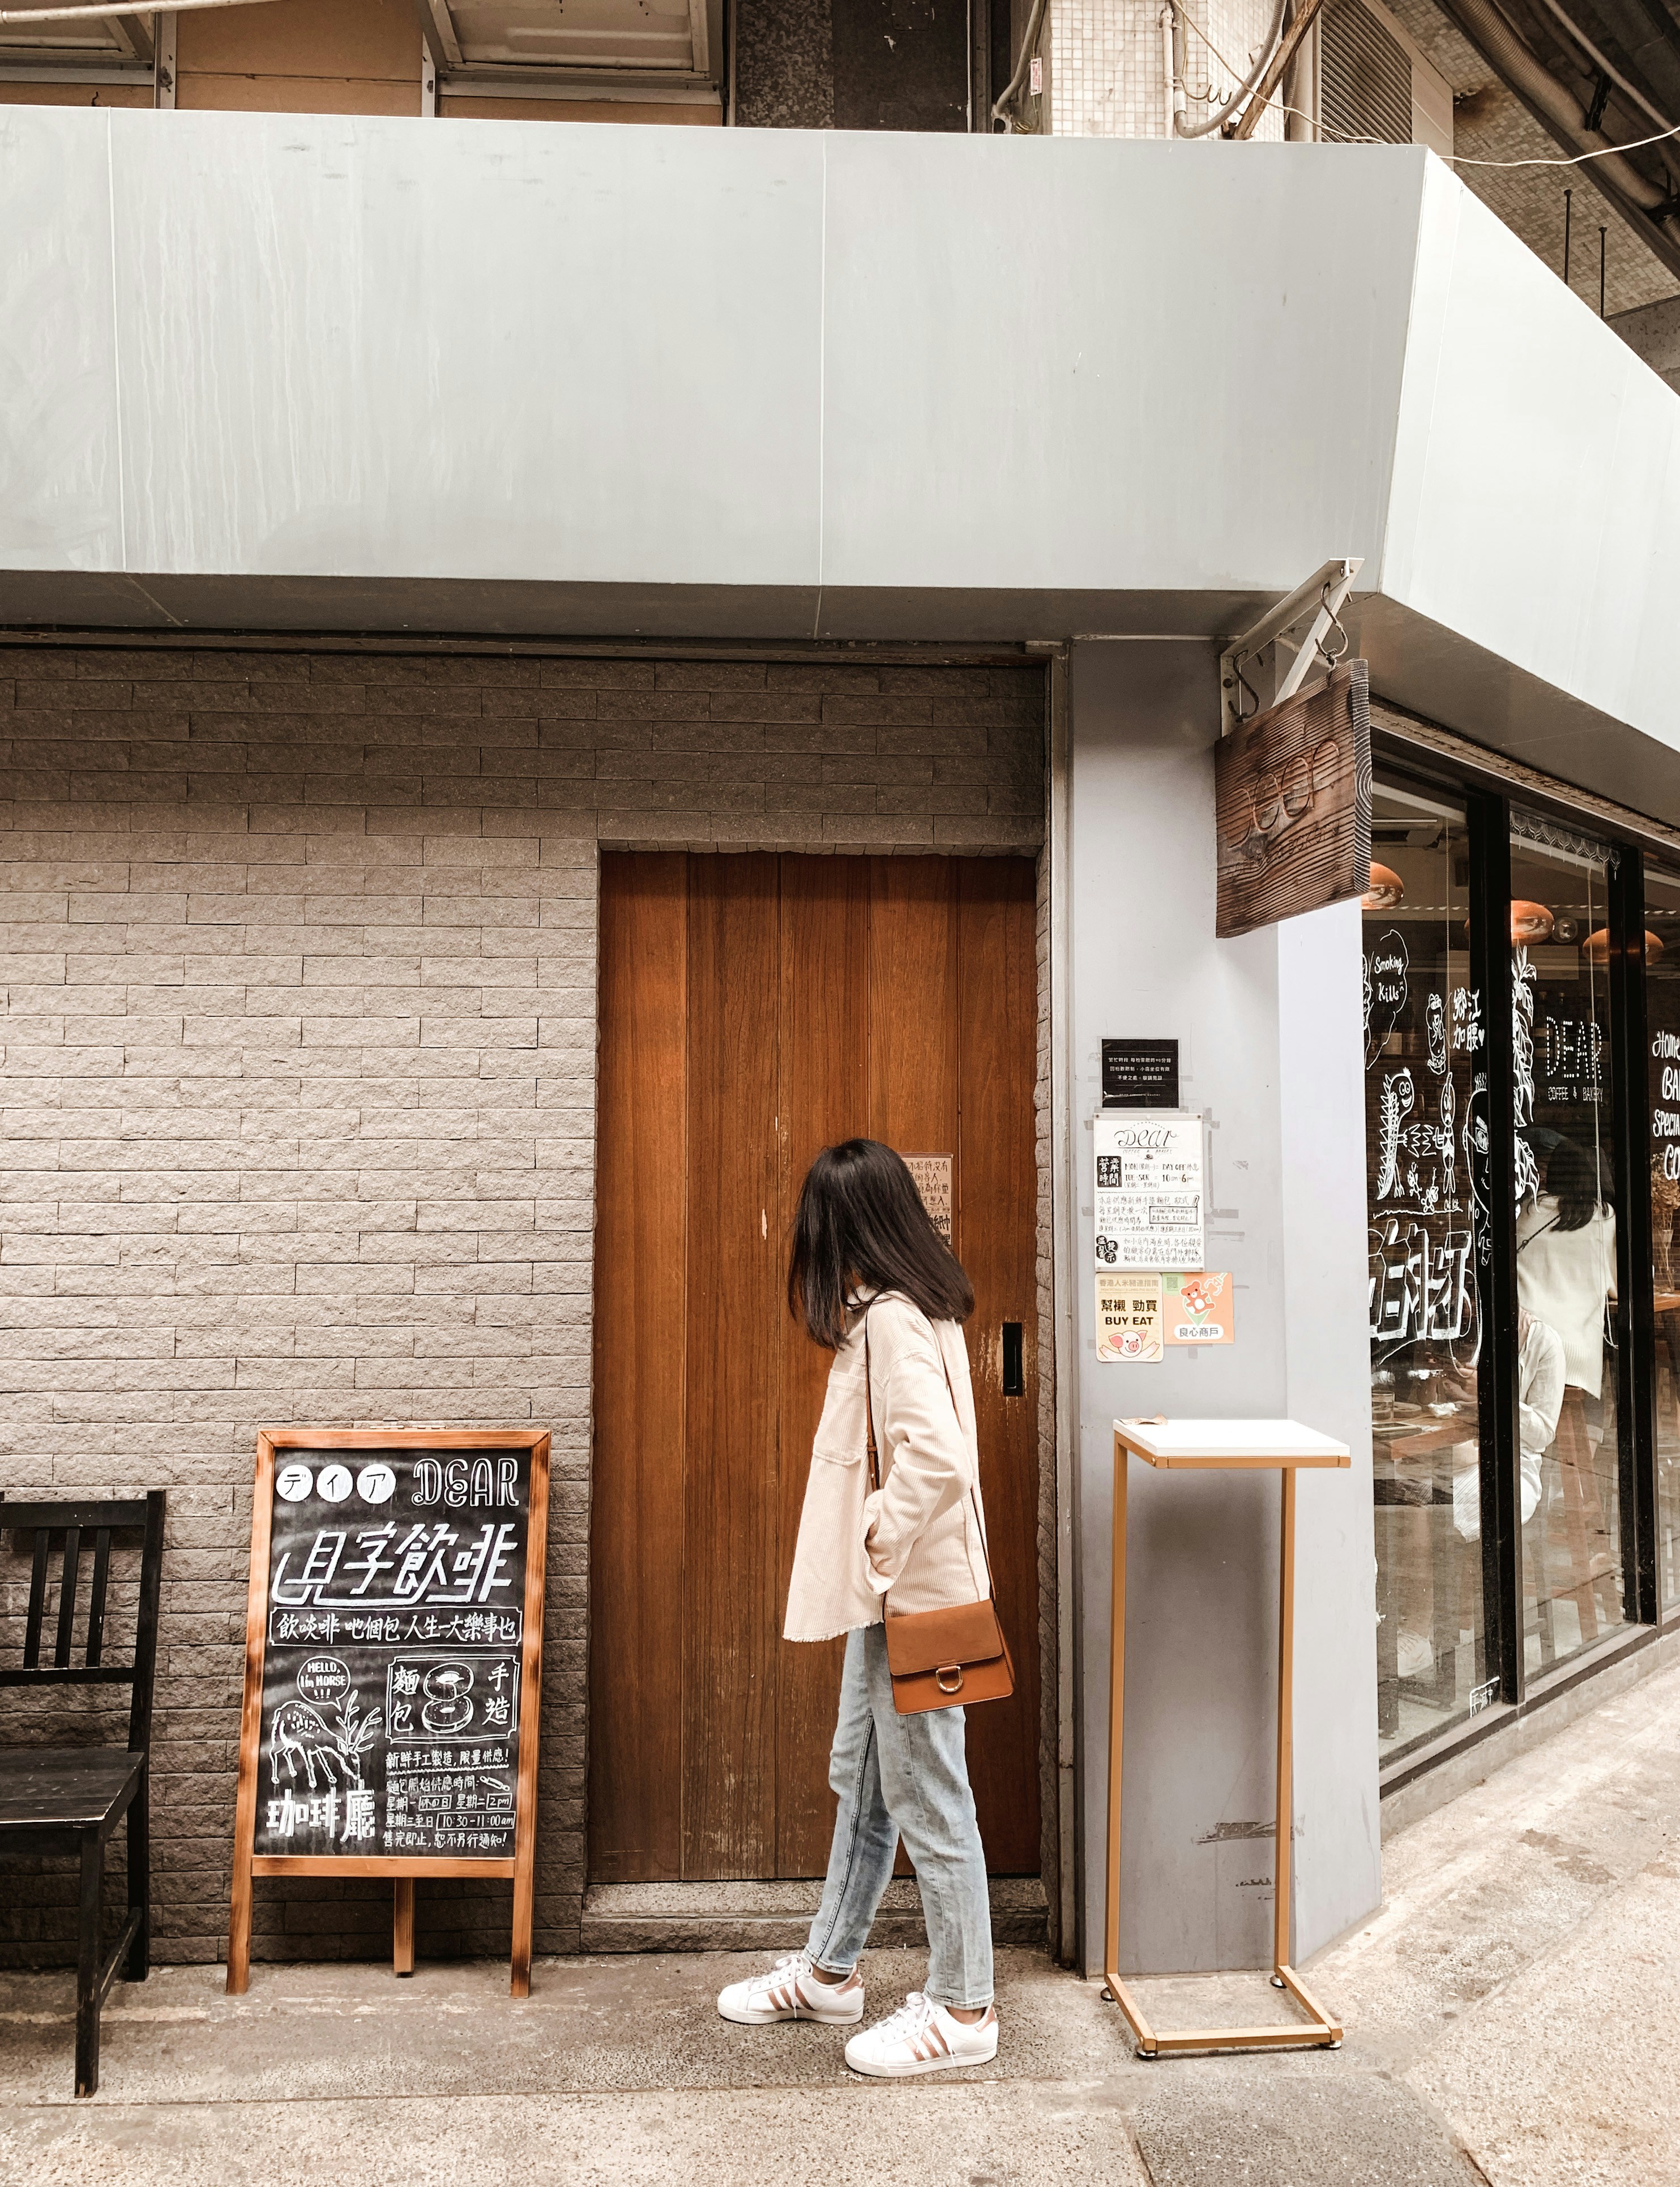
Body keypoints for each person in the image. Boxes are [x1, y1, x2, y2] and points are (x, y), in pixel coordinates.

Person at [716, 1139, 999, 2078]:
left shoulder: (890, 1320)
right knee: (867, 1781)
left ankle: (964, 2008)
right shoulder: (923, 1308)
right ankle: (832, 1971)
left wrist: (874, 1544)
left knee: (928, 1795)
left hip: (909, 1597)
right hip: (900, 1602)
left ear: (846, 1228)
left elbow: (938, 1460)